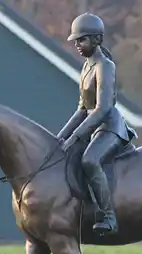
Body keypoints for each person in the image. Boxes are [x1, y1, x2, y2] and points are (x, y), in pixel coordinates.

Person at [56, 12, 135, 236]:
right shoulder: (86, 67)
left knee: (90, 160)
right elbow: (82, 109)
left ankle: (108, 215)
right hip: (94, 127)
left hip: (110, 127)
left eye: (82, 39)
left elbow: (102, 109)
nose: (78, 45)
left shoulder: (105, 66)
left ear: (97, 40)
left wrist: (77, 137)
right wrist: (60, 138)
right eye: (76, 41)